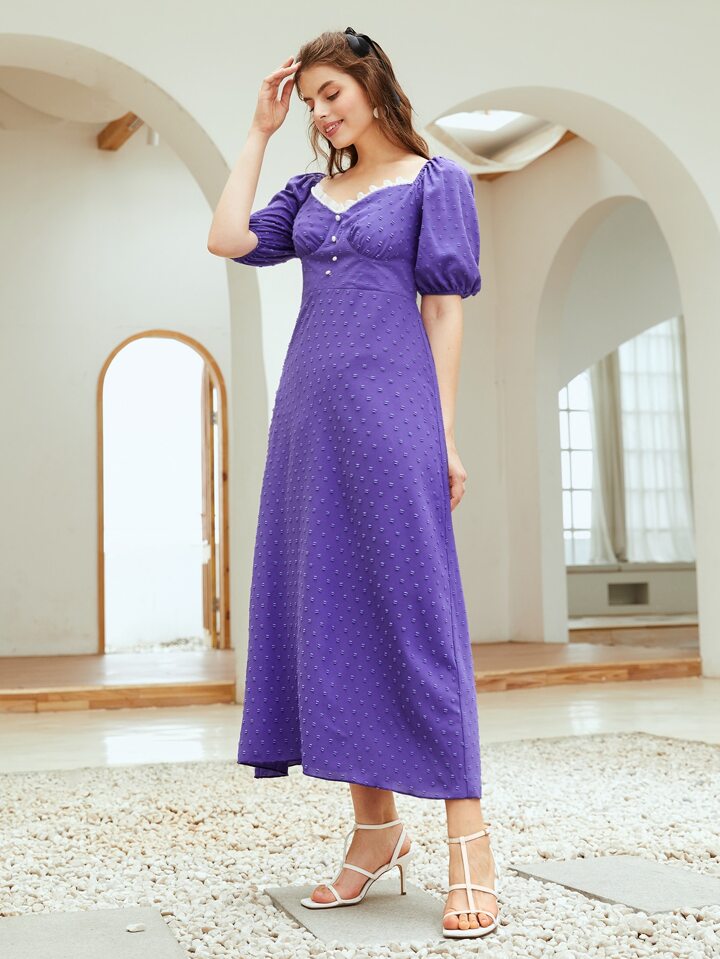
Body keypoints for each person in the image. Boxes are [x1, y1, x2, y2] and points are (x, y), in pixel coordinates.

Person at [207, 27, 499, 940]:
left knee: (416, 615)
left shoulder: (436, 182)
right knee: (331, 614)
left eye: (331, 92)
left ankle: (470, 843)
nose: (321, 111)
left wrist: (442, 434)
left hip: (392, 414)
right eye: (310, 101)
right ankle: (375, 831)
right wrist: (258, 131)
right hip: (307, 423)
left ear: (373, 87)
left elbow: (443, 309)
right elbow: (225, 237)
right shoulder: (308, 193)